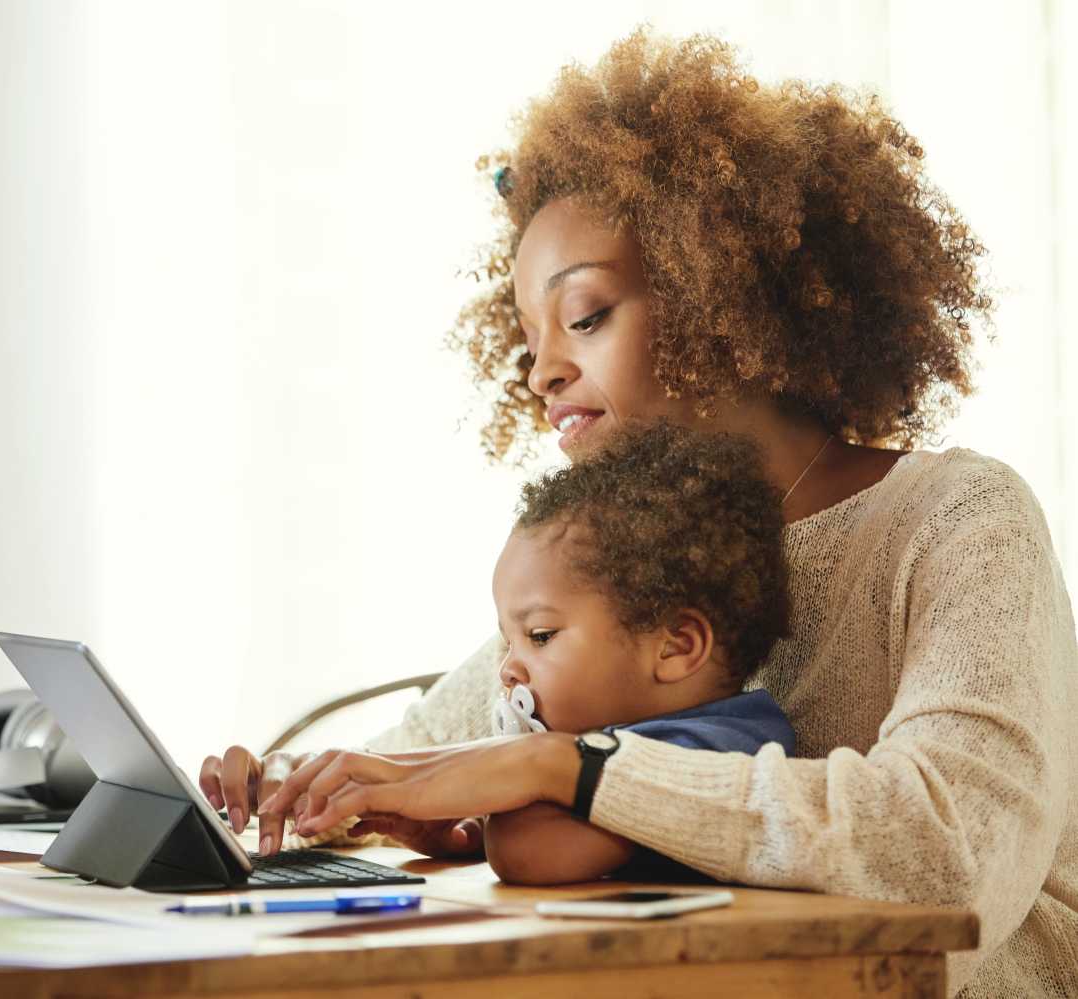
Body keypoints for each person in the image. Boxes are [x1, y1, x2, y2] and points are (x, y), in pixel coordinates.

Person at [200, 29, 1076, 997]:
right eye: (528, 338)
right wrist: (317, 792)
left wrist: (563, 768)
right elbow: (427, 758)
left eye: (582, 317)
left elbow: (947, 850)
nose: (540, 372)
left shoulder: (955, 517)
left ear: (722, 297)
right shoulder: (629, 562)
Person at [483, 420, 796, 883]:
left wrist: (505, 770)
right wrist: (461, 828)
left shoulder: (712, 750)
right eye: (510, 641)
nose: (509, 670)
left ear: (675, 646)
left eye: (541, 635)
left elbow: (529, 852)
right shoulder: (630, 736)